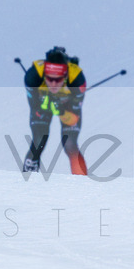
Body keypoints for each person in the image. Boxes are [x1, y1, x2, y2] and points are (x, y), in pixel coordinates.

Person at [22, 46, 88, 175]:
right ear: (44, 75)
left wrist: (61, 111)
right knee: (39, 140)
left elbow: (73, 117)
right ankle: (27, 183)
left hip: (67, 105)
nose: (53, 84)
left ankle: (83, 183)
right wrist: (47, 105)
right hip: (43, 103)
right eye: (49, 79)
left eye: (57, 80)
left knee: (70, 144)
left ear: (65, 76)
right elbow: (34, 106)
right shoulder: (33, 76)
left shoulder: (77, 79)